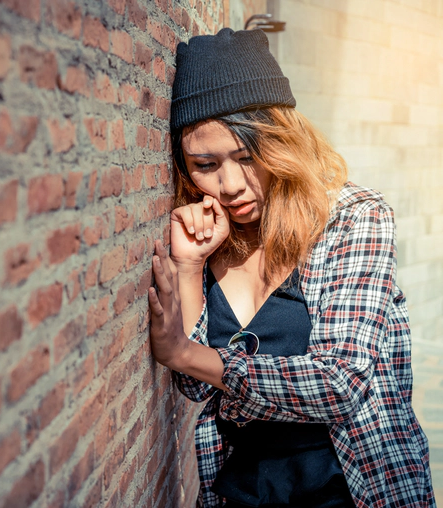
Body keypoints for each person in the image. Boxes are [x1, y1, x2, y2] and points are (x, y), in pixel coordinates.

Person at [147, 28, 436, 508]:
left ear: (282, 141)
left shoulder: (353, 217)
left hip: (351, 484)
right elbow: (195, 382)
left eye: (247, 156)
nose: (230, 184)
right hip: (241, 487)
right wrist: (189, 264)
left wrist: (183, 352)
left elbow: (341, 383)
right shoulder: (211, 235)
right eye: (205, 163)